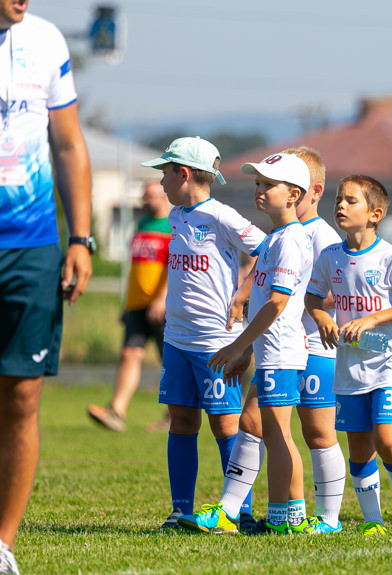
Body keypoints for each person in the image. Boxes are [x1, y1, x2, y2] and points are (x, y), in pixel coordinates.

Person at [178, 146, 346, 534]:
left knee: (290, 433)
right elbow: (267, 302)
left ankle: (292, 516)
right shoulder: (276, 238)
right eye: (257, 183)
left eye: (268, 184)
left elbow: (279, 302)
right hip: (274, 347)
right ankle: (237, 510)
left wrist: (238, 344)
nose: (259, 190)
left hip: (295, 348)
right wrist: (248, 346)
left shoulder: (296, 238)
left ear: (297, 193)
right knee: (258, 425)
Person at [0, 3, 92, 573]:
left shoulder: (46, 39)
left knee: (22, 393)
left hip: (33, 244)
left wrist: (80, 237)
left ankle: (2, 544)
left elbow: (69, 143)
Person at [140, 137, 267, 529]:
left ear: (184, 173)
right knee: (181, 422)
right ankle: (181, 510)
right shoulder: (176, 217)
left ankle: (238, 513)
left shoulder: (222, 217)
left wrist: (243, 296)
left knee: (226, 425)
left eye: (164, 172)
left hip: (217, 343)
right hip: (176, 340)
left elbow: (269, 251)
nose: (160, 182)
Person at [305, 175, 392, 537]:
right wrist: (323, 316)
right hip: (348, 368)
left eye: (350, 200)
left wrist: (373, 318)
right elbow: (313, 297)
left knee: (388, 440)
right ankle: (373, 522)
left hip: (388, 363)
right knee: (359, 448)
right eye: (339, 199)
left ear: (375, 214)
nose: (340, 206)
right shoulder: (330, 257)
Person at [87, 181, 171, 431]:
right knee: (129, 354)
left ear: (163, 197)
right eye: (144, 197)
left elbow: (172, 269)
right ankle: (116, 412)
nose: (146, 201)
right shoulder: (141, 226)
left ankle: (176, 416)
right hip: (136, 304)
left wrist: (162, 299)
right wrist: (127, 302)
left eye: (150, 196)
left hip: (160, 306)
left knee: (170, 362)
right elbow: (136, 269)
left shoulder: (173, 227)